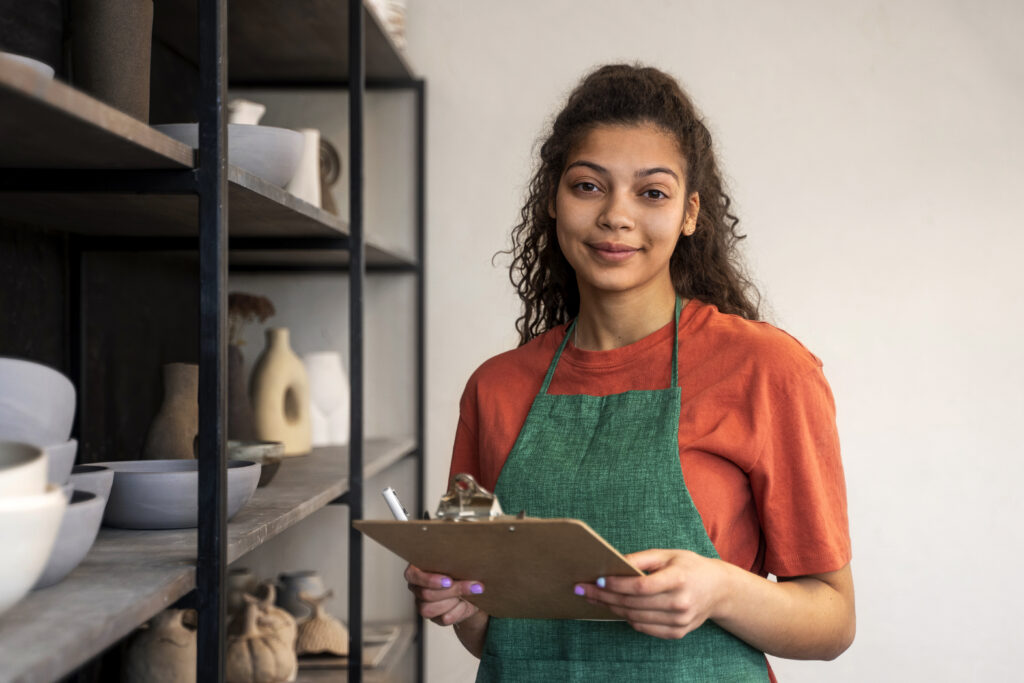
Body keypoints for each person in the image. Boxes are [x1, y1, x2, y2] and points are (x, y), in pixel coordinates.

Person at [406, 63, 854, 681]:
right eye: (589, 186)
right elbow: (497, 637)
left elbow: (833, 621)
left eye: (652, 192)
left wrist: (721, 590)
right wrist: (459, 601)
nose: (617, 215)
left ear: (690, 213)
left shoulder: (765, 369)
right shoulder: (496, 387)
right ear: (554, 202)